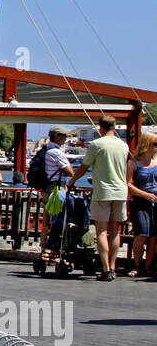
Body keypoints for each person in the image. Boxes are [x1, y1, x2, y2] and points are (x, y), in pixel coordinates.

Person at [68, 116, 129, 280]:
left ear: (100, 128)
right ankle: (114, 266)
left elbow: (83, 167)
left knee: (101, 231)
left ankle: (106, 268)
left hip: (103, 191)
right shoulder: (124, 145)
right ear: (114, 127)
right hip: (121, 191)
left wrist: (72, 181)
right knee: (115, 231)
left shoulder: (97, 144)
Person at [36, 127, 74, 259]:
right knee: (56, 221)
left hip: (46, 188)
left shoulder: (44, 150)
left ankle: (43, 251)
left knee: (46, 221)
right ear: (57, 136)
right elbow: (70, 172)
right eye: (64, 136)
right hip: (57, 189)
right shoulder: (56, 152)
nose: (65, 139)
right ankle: (52, 250)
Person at [126, 131, 157, 277]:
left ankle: (148, 266)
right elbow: (128, 184)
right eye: (155, 144)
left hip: (155, 201)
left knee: (154, 236)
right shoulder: (134, 162)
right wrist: (145, 195)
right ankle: (137, 265)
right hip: (140, 201)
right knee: (141, 234)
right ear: (147, 145)